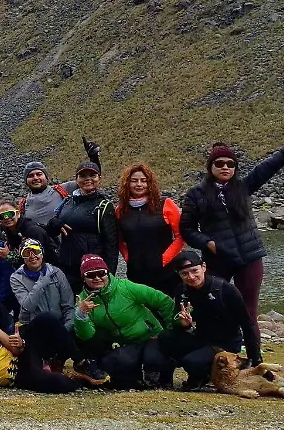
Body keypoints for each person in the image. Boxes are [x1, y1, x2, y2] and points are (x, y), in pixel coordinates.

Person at [179, 109, 284, 326]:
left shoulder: (243, 187)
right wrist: (208, 244)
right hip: (218, 258)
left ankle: (254, 358)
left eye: (230, 164)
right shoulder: (195, 195)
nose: (225, 167)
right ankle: (215, 353)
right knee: (213, 306)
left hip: (250, 257)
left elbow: (272, 164)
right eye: (220, 164)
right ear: (210, 167)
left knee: (248, 312)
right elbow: (186, 229)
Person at [7, 239, 109, 385]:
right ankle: (80, 362)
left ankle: (68, 362)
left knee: (77, 323)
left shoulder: (57, 273)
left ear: (42, 253)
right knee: (46, 318)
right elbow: (26, 306)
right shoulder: (16, 278)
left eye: (35, 251)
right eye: (27, 253)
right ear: (22, 257)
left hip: (60, 330)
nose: (32, 256)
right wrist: (42, 282)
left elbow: (68, 305)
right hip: (34, 330)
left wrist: (66, 329)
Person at [158, 251, 262, 390]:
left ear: (204, 267)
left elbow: (248, 325)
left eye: (194, 271)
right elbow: (178, 323)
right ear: (179, 275)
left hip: (224, 343)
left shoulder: (226, 290)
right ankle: (165, 379)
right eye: (185, 274)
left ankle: (201, 376)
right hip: (200, 337)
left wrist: (255, 362)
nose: (191, 277)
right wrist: (183, 324)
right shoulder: (181, 290)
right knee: (165, 337)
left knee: (190, 362)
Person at [73, 254, 175, 389]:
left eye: (101, 273)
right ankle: (138, 377)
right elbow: (86, 336)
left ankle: (163, 377)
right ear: (84, 279)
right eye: (91, 275)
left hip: (150, 336)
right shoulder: (83, 301)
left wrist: (169, 331)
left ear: (107, 273)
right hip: (126, 344)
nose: (97, 278)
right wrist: (81, 315)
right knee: (113, 363)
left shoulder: (126, 287)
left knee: (154, 359)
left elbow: (163, 301)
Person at [47, 161, 118, 295]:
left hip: (91, 271)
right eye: (83, 175)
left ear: (99, 179)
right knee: (70, 309)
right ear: (76, 179)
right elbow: (51, 231)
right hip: (67, 267)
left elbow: (112, 244)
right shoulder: (67, 201)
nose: (88, 179)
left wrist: (109, 277)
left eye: (93, 175)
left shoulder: (103, 206)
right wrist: (54, 223)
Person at [115, 163, 185, 296]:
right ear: (127, 184)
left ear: (150, 183)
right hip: (136, 273)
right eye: (134, 181)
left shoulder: (166, 204)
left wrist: (164, 259)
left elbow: (180, 236)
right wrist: (128, 258)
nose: (139, 184)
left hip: (166, 272)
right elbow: (119, 240)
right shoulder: (120, 210)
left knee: (168, 309)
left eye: (144, 180)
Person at [19, 137, 101, 229]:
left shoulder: (63, 189)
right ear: (26, 181)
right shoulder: (23, 204)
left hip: (67, 242)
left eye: (39, 174)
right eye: (30, 176)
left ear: (46, 177)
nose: (35, 178)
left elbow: (90, 182)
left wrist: (94, 158)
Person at [0, 199, 56, 266]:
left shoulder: (32, 231)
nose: (7, 218)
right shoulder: (7, 229)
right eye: (2, 216)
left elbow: (36, 259)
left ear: (18, 214)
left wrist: (9, 256)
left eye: (10, 214)